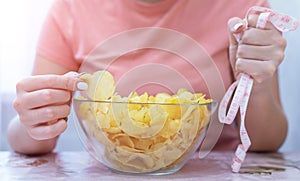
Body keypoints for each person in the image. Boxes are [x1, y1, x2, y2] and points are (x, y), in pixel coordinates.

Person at [7, 0, 288, 155]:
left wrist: (257, 83)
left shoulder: (242, 7)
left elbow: (266, 142)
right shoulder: (71, 8)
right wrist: (32, 120)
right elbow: (33, 140)